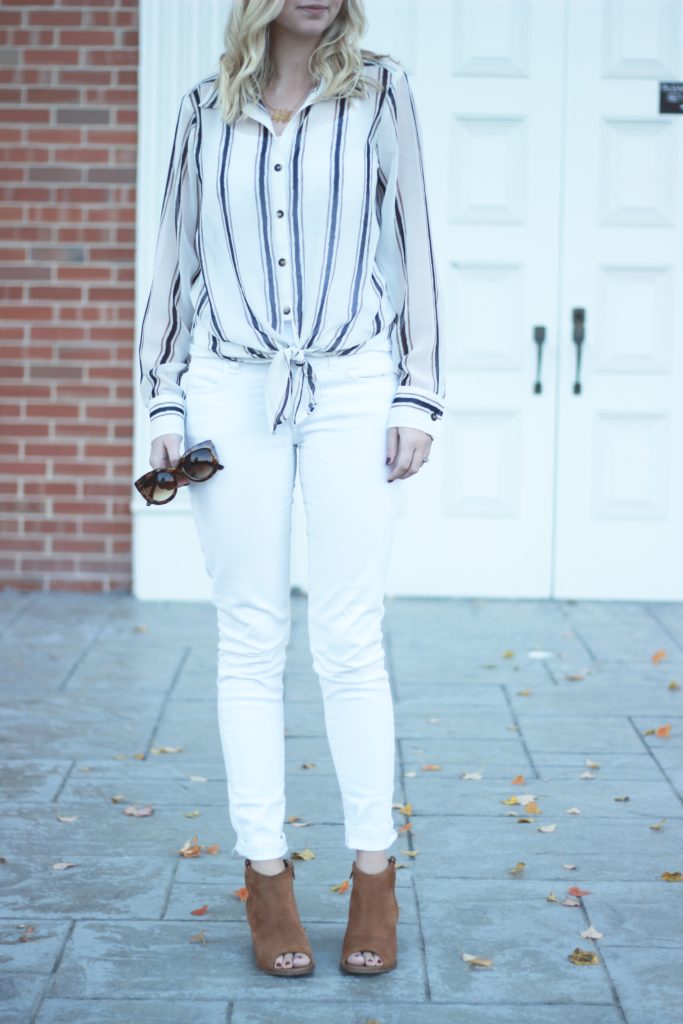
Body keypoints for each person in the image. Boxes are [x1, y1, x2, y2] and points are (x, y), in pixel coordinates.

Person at [137, 0, 444, 978]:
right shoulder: (202, 109)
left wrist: (417, 394)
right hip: (229, 388)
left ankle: (371, 876)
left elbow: (413, 247)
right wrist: (164, 407)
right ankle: (265, 876)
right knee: (249, 632)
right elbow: (175, 266)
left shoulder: (379, 92)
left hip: (351, 381)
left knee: (349, 633)